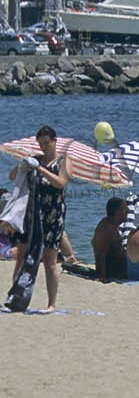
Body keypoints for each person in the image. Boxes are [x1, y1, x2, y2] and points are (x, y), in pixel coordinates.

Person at [6, 126, 71, 313]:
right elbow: (12, 177)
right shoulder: (36, 159)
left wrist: (41, 169)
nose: (43, 147)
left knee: (50, 260)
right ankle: (16, 297)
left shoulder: (64, 161)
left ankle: (52, 303)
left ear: (54, 141)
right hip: (32, 213)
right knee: (22, 255)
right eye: (41, 144)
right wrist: (23, 163)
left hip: (53, 213)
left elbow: (61, 183)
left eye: (46, 143)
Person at [92, 198, 129, 282]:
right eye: (125, 209)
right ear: (117, 212)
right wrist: (102, 276)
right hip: (115, 273)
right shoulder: (106, 228)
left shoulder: (111, 225)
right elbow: (100, 253)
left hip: (119, 269)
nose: (128, 211)